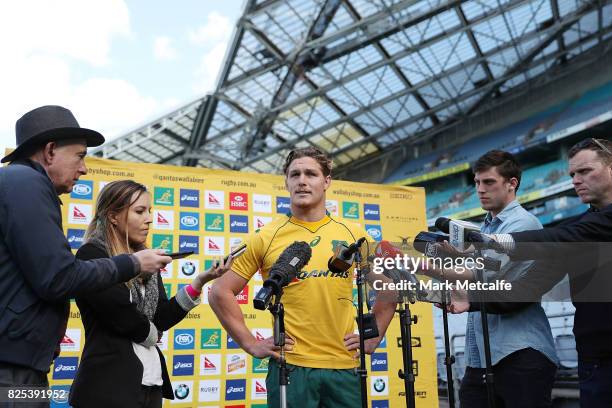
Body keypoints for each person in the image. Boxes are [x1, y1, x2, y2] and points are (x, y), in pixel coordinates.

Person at [0, 106, 170, 396]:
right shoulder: (25, 183)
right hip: (13, 370)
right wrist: (132, 264)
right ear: (50, 150)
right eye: (80, 155)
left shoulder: (22, 184)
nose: (84, 168)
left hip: (22, 365)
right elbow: (58, 278)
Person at [209, 147, 396, 407]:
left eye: (311, 174)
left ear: (327, 181)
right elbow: (220, 292)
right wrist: (251, 344)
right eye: (295, 174)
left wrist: (374, 334)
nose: (302, 181)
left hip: (344, 365)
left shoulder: (354, 234)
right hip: (290, 366)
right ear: (286, 181)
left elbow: (389, 288)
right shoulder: (265, 236)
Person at [451, 138, 612, 408]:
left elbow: (562, 236)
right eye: (572, 174)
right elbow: (529, 286)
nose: (575, 180)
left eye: (585, 171)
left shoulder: (576, 231)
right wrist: (472, 301)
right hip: (595, 358)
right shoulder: (579, 228)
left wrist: (495, 244)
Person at [69, 180, 233, 408]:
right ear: (113, 216)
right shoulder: (91, 254)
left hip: (151, 385)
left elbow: (161, 317)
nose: (149, 219)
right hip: (107, 387)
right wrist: (153, 334)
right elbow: (122, 316)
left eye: (150, 211)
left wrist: (200, 280)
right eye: (139, 211)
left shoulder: (147, 257)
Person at [429, 151, 559, 407]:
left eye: (489, 182)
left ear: (512, 183)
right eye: (477, 183)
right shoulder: (484, 228)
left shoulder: (524, 224)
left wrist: (433, 268)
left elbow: (486, 272)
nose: (480, 190)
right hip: (482, 356)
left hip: (520, 352)